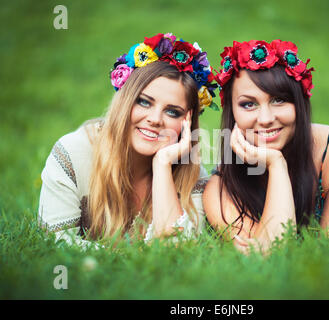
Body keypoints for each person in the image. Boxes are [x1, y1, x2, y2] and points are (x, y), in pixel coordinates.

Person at [203, 39, 329, 254]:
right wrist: (277, 165)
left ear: (300, 103)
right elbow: (273, 253)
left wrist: (275, 164)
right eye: (249, 104)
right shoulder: (220, 190)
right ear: (232, 112)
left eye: (279, 100)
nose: (266, 119)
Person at [38, 33, 217, 247]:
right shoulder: (73, 153)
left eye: (172, 112)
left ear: (187, 122)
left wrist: (162, 165)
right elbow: (55, 242)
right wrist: (119, 260)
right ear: (124, 99)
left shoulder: (191, 173)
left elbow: (177, 252)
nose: (155, 119)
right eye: (143, 102)